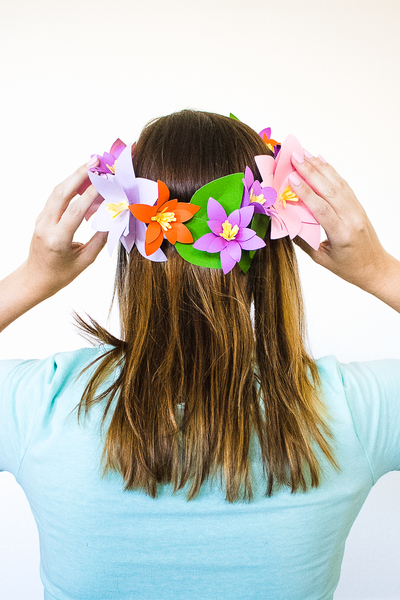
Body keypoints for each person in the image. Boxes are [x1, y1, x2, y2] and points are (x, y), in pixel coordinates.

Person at [0, 110, 399, 600]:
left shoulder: (42, 405)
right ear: (278, 249)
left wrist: (31, 278)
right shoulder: (350, 412)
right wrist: (378, 269)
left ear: (128, 236)